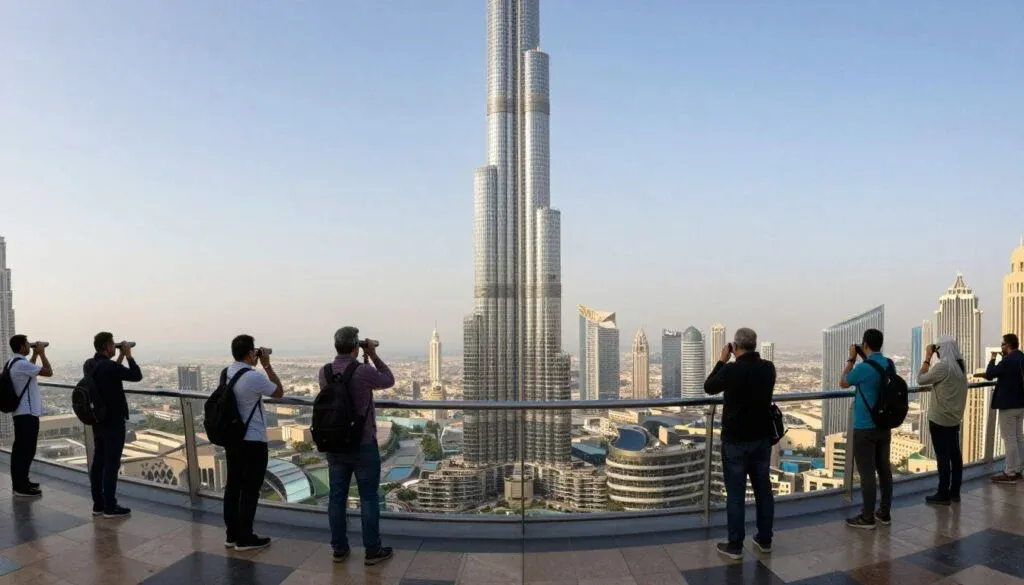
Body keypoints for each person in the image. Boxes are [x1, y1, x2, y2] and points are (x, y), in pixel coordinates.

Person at [321, 327, 395, 566]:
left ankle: (339, 548)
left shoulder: (325, 372)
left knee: (336, 497)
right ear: (356, 347)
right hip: (362, 444)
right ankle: (372, 550)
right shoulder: (363, 371)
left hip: (334, 444)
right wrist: (372, 355)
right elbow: (388, 379)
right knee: (369, 498)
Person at [704, 327, 777, 560]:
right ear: (755, 345)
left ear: (735, 347)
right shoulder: (768, 368)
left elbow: (709, 387)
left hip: (735, 440)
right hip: (762, 438)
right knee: (763, 490)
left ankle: (735, 545)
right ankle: (765, 539)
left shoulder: (732, 371)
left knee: (735, 494)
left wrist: (721, 361)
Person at [223, 334, 283, 551]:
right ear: (251, 353)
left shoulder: (227, 372)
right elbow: (278, 392)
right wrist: (266, 365)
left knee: (233, 487)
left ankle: (231, 535)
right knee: (250, 490)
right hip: (253, 440)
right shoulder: (252, 377)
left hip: (233, 439)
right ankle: (245, 537)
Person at [84, 332, 143, 518]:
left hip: (98, 420)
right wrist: (129, 356)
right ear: (109, 346)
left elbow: (109, 372)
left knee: (99, 461)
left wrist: (119, 356)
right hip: (113, 421)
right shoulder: (109, 366)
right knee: (111, 463)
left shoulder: (90, 365)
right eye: (113, 345)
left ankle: (98, 504)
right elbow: (136, 375)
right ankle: (110, 506)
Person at [840, 328, 893, 529]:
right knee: (884, 469)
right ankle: (884, 512)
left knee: (867, 473)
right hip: (884, 424)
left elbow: (843, 382)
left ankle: (867, 517)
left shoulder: (863, 369)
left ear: (865, 345)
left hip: (864, 426)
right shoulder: (889, 364)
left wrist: (852, 360)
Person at [917, 335, 968, 505]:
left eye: (938, 349)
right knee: (955, 454)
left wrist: (927, 358)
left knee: (942, 457)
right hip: (954, 418)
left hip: (939, 419)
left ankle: (943, 493)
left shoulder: (943, 367)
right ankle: (955, 491)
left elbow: (921, 379)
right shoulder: (961, 366)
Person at [6, 335, 53, 497]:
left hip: (21, 413)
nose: (29, 345)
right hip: (27, 414)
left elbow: (30, 371)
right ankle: (20, 486)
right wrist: (41, 353)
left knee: (23, 450)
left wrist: (33, 355)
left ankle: (22, 481)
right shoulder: (21, 365)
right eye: (27, 344)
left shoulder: (13, 363)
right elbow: (48, 372)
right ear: (21, 347)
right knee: (25, 450)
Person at [984, 333, 1024, 484]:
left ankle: (1010, 472)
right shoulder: (1021, 357)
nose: (1001, 346)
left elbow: (989, 375)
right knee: (1019, 437)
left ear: (1007, 345)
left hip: (1008, 405)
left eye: (1002, 344)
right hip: (1021, 404)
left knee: (1010, 439)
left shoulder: (1008, 360)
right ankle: (1019, 470)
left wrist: (994, 359)